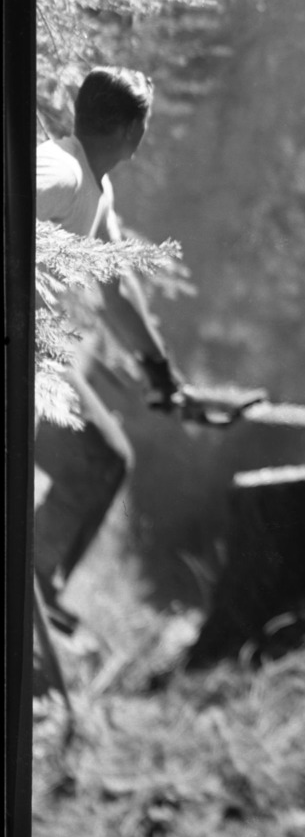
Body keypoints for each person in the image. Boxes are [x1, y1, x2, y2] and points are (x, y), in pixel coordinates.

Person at [34, 66, 184, 631]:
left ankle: (37, 581)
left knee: (103, 460)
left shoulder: (94, 187)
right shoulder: (64, 172)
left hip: (34, 358)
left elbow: (115, 287)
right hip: (22, 361)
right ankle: (34, 578)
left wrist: (155, 364)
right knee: (100, 461)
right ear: (128, 132)